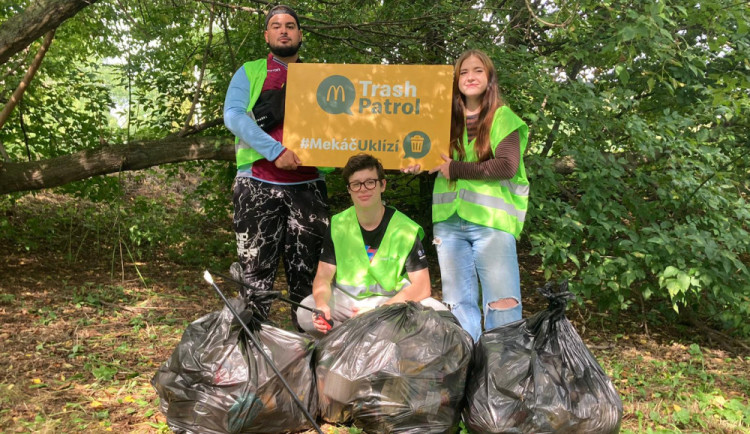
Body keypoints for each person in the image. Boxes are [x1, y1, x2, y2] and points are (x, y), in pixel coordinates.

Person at [403, 49, 529, 341]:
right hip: (449, 224)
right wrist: (413, 164)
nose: (470, 77)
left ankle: (502, 375)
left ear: (490, 78)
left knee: (502, 304)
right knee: (458, 305)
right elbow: (427, 157)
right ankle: (466, 369)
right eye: (463, 72)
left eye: (478, 71)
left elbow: (507, 165)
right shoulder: (444, 119)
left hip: (492, 224)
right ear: (456, 80)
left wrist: (457, 168)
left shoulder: (502, 117)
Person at [223, 5, 329, 330]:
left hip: (308, 188)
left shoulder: (324, 79)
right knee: (255, 285)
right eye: (276, 25)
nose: (284, 30)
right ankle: (253, 368)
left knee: (308, 285)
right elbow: (234, 115)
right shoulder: (251, 71)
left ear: (300, 35)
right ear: (267, 35)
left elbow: (346, 131)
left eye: (291, 25)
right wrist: (275, 151)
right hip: (257, 185)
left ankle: (307, 365)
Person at [297, 154, 446, 337]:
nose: (363, 189)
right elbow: (323, 277)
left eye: (370, 182)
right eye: (356, 184)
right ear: (349, 190)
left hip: (391, 303)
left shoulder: (405, 228)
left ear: (382, 185)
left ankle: (360, 333)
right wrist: (322, 305)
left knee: (439, 315)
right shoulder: (339, 224)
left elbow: (422, 287)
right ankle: (345, 341)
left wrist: (378, 313)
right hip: (348, 302)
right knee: (306, 312)